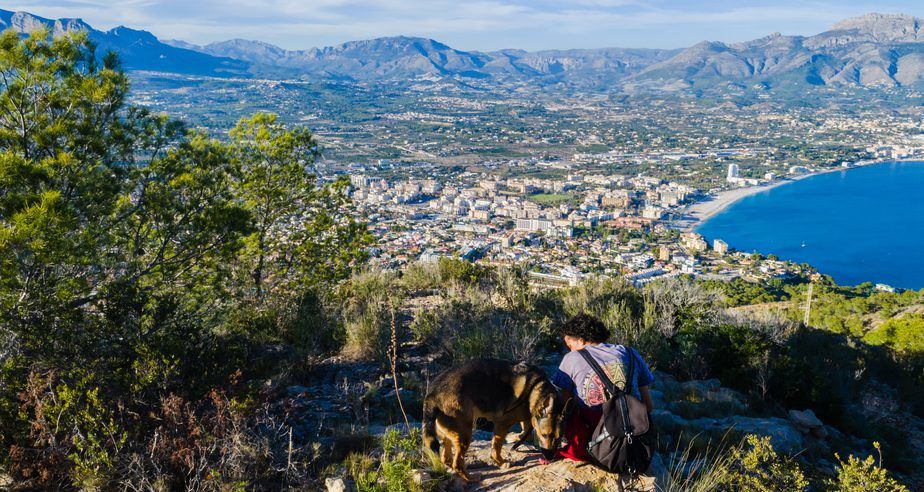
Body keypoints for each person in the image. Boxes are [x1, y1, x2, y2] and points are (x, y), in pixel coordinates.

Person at [549, 313, 654, 463]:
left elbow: (565, 409)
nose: (568, 347)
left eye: (569, 342)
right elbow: (648, 406)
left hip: (591, 445)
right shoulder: (631, 353)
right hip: (635, 443)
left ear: (581, 339)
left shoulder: (571, 359)